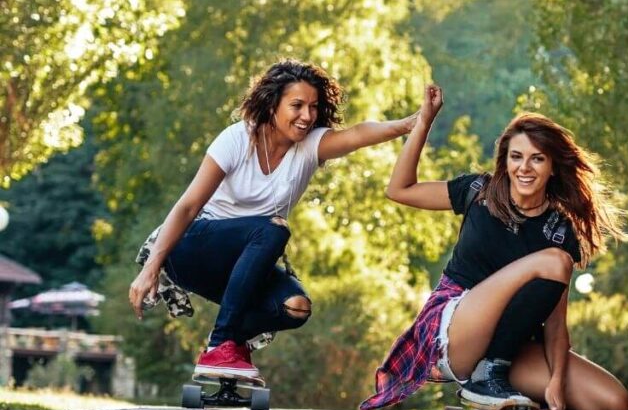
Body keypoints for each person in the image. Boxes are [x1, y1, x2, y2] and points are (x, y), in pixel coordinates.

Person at [128, 59, 417, 380]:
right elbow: (187, 206)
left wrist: (409, 124)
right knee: (272, 230)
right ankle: (223, 345)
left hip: (245, 264)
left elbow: (359, 133)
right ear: (272, 104)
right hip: (192, 250)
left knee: (295, 306)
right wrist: (151, 267)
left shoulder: (309, 146)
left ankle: (223, 345)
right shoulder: (237, 139)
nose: (307, 116)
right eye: (296, 105)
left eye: (313, 106)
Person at [360, 85, 628, 410]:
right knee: (553, 261)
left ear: (552, 167)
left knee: (613, 402)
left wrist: (557, 383)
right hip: (457, 328)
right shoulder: (479, 192)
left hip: (511, 348)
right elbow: (399, 189)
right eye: (516, 156)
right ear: (505, 160)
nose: (525, 168)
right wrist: (424, 122)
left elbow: (556, 325)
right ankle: (484, 378)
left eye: (537, 158)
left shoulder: (560, 231)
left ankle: (499, 386)